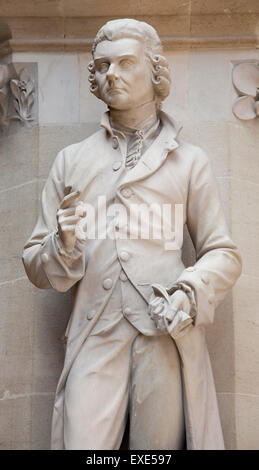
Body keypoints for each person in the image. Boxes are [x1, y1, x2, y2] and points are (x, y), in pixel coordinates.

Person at [22, 18, 242, 450]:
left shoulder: (189, 161)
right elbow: (33, 261)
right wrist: (61, 247)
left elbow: (223, 253)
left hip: (162, 334)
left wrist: (188, 291)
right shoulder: (72, 160)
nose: (111, 75)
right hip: (94, 333)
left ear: (155, 72)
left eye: (125, 63)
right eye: (102, 66)